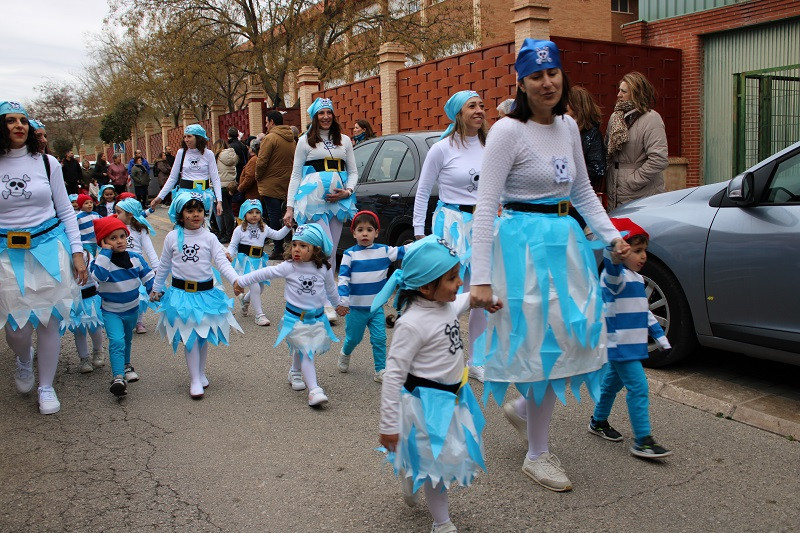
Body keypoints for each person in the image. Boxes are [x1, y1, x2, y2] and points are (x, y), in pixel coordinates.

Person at [469, 39, 630, 492]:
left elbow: (580, 192)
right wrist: (480, 278)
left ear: (563, 76)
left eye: (553, 73)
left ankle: (522, 411)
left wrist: (612, 236)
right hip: (522, 252)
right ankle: (537, 454)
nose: (547, 83)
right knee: (542, 348)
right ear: (521, 82)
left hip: (566, 246)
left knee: (564, 337)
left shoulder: (568, 126)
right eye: (536, 76)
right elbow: (485, 207)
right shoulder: (506, 132)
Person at [376, 235, 502, 533]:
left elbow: (469, 298)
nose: (460, 282)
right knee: (435, 470)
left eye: (459, 275)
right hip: (425, 408)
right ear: (425, 287)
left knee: (438, 461)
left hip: (455, 400)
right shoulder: (412, 323)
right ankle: (441, 523)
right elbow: (393, 375)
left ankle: (410, 469)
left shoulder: (444, 304)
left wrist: (490, 299)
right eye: (452, 278)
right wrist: (388, 425)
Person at [0, 100, 87, 415]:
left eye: (22, 120)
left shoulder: (48, 162)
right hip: (7, 255)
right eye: (10, 121)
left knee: (50, 320)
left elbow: (65, 210)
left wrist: (77, 253)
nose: (18, 126)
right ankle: (24, 358)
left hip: (50, 248)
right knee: (18, 328)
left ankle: (46, 386)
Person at [412, 89, 488, 383]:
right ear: (459, 113)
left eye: (482, 105)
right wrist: (419, 232)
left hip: (482, 224)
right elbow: (422, 190)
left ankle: (477, 360)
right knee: (447, 293)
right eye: (472, 106)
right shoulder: (442, 148)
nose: (480, 110)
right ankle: (437, 354)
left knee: (478, 293)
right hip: (451, 225)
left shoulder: (489, 145)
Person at [233, 223, 343, 407]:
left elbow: (331, 290)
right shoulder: (289, 267)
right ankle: (314, 390)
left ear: (315, 249)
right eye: (294, 245)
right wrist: (241, 280)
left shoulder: (323, 269)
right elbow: (263, 272)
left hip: (316, 319)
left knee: (304, 348)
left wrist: (338, 305)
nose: (296, 250)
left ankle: (294, 372)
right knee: (307, 351)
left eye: (303, 246)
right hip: (294, 318)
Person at [589, 217, 673, 458]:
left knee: (612, 385)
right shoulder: (613, 279)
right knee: (639, 388)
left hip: (632, 345)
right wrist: (613, 252)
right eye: (636, 251)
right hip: (620, 345)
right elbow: (612, 265)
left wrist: (661, 338)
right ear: (622, 252)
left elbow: (645, 314)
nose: (643, 256)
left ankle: (598, 421)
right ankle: (643, 440)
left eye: (644, 250)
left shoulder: (637, 280)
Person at [150, 191, 242, 399]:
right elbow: (164, 265)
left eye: (199, 210)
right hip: (181, 295)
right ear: (180, 214)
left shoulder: (209, 237)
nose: (195, 214)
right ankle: (194, 379)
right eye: (189, 211)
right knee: (190, 338)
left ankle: (200, 373)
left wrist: (236, 280)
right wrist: (156, 287)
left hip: (206, 295)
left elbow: (221, 262)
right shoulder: (172, 237)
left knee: (202, 337)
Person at [284, 98, 358, 323]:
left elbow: (353, 171)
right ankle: (325, 302)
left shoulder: (344, 140)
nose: (325, 117)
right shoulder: (305, 141)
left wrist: (348, 191)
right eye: (321, 113)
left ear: (333, 116)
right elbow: (296, 175)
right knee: (322, 249)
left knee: (332, 249)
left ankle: (325, 297)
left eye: (329, 113)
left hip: (338, 200)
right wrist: (290, 207)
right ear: (314, 117)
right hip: (313, 200)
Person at [336, 211, 406, 382]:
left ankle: (380, 370)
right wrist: (343, 302)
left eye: (369, 229)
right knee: (354, 338)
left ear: (376, 232)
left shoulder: (384, 251)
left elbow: (405, 250)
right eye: (360, 230)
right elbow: (343, 279)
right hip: (355, 309)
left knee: (380, 338)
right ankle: (345, 352)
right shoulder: (349, 254)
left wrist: (426, 242)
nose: (364, 233)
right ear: (353, 233)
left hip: (376, 308)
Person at [89, 216, 154, 396]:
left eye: (122, 236)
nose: (119, 241)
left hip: (132, 309)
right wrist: (104, 252)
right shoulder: (101, 262)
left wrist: (154, 291)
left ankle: (126, 366)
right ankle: (118, 377)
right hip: (111, 312)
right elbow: (99, 277)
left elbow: (148, 277)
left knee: (126, 340)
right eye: (113, 238)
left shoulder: (135, 258)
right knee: (116, 340)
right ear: (103, 241)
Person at [605, 71, 668, 210]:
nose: (618, 95)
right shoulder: (616, 118)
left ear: (636, 94)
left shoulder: (652, 119)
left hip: (640, 194)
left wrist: (633, 181)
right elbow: (608, 153)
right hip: (614, 190)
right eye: (619, 90)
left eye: (623, 91)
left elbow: (659, 159)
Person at [225, 199, 290, 326]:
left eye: (257, 212)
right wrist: (228, 254)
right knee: (254, 285)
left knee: (260, 288)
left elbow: (277, 235)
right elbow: (233, 245)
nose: (254, 215)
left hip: (258, 262)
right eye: (250, 212)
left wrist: (287, 227)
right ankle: (259, 315)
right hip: (245, 262)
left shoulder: (264, 228)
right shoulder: (239, 230)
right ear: (244, 214)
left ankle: (245, 300)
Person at [150, 124, 223, 221]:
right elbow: (172, 178)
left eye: (189, 136)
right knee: (186, 224)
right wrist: (160, 197)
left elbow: (215, 179)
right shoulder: (181, 153)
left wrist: (219, 201)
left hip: (204, 195)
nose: (186, 139)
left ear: (198, 137)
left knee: (203, 226)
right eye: (185, 136)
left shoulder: (208, 154)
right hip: (185, 194)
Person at [114, 198, 159, 334]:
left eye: (119, 212)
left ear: (130, 214)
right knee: (121, 294)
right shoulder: (114, 227)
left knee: (139, 296)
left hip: (136, 268)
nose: (116, 215)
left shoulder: (140, 230)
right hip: (118, 267)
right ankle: (121, 320)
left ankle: (139, 321)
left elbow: (149, 249)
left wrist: (157, 268)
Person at [256, 110, 296, 260]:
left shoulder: (270, 138)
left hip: (271, 184)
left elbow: (262, 161)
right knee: (287, 215)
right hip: (288, 183)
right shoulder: (292, 139)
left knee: (274, 217)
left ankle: (278, 248)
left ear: (272, 122)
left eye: (267, 122)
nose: (266, 125)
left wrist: (258, 177)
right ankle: (291, 245)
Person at [68, 249, 105, 373]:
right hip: (74, 299)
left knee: (95, 328)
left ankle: (98, 350)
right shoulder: (63, 254)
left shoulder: (86, 255)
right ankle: (83, 358)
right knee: (79, 331)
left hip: (90, 297)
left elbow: (95, 275)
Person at [567, 86, 606, 195]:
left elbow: (597, 168)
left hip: (580, 195)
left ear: (577, 106)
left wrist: (569, 174)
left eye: (566, 103)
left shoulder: (592, 134)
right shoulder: (561, 129)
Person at [213, 138, 238, 243]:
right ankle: (228, 233)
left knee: (222, 212)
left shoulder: (217, 157)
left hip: (220, 186)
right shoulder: (233, 156)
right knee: (228, 211)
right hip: (230, 186)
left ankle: (225, 234)